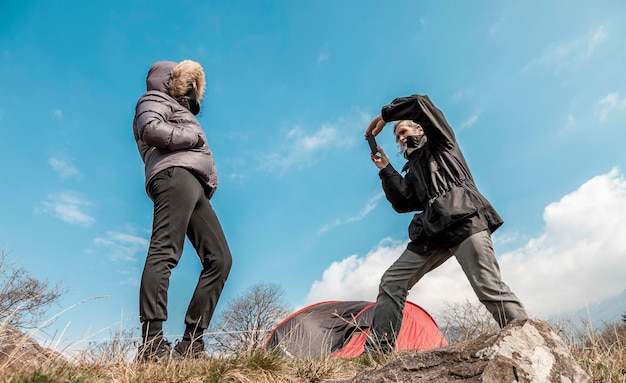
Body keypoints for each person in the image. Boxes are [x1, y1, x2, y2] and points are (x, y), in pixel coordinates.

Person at [364, 93, 528, 353]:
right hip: (431, 232)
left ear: (420, 127)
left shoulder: (441, 142)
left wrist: (385, 117)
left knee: (488, 287)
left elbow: (420, 103)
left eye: (403, 130)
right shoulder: (412, 166)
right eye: (396, 136)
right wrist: (386, 168)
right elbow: (405, 202)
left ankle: (531, 343)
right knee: (392, 282)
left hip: (464, 219)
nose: (399, 137)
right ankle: (376, 353)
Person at [132, 60, 232, 361]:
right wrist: (193, 138)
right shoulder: (153, 99)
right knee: (165, 252)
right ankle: (152, 345)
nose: (191, 91)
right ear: (173, 79)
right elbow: (151, 129)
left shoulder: (180, 108)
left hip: (193, 183)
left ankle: (191, 343)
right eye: (186, 83)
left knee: (221, 259)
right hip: (174, 175)